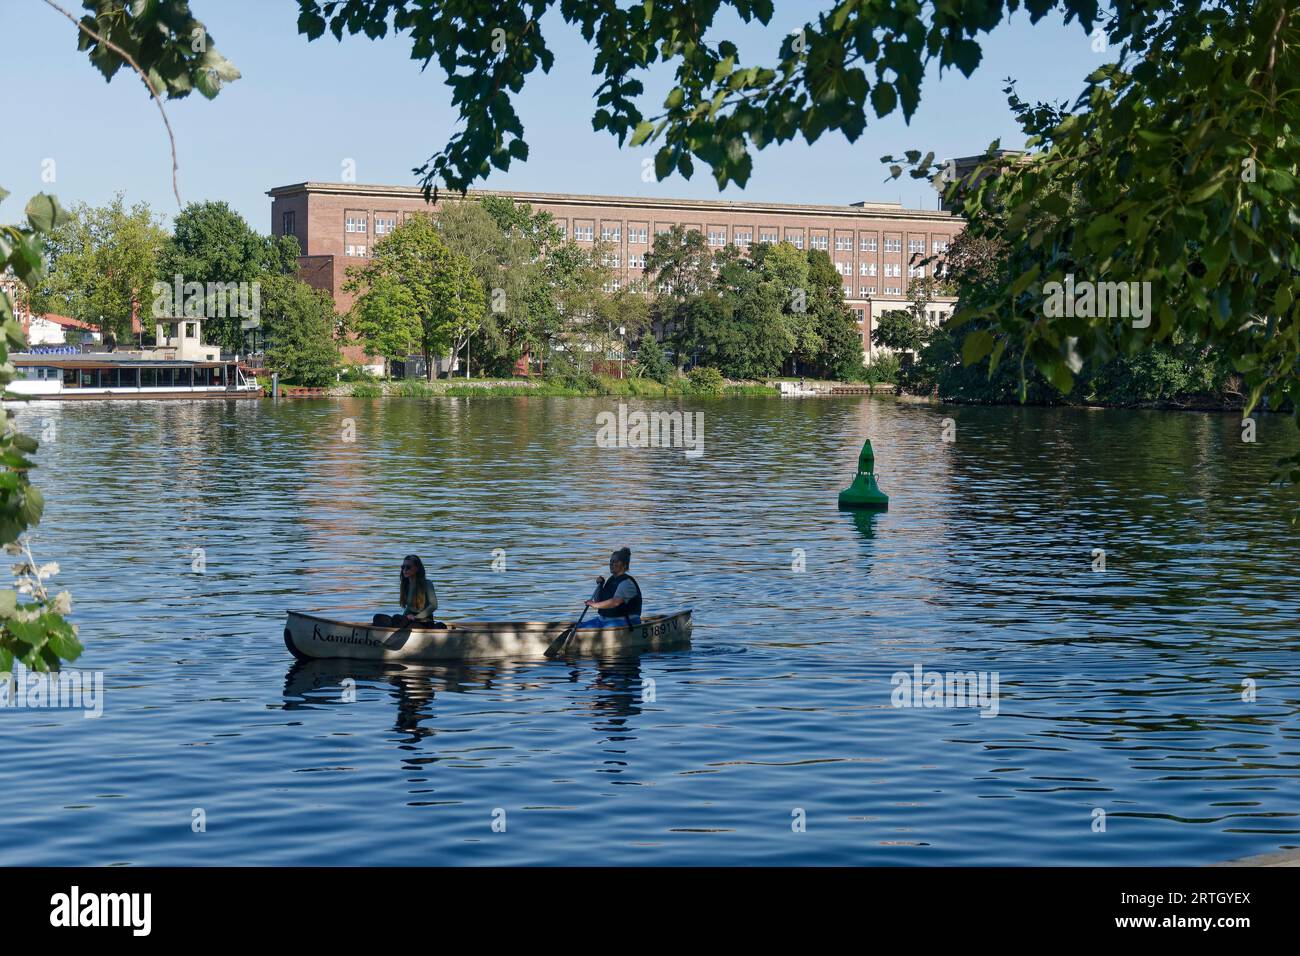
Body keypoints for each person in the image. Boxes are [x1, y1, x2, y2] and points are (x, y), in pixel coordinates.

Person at [578, 547, 642, 628]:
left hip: (624, 622)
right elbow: (599, 600)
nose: (611, 564)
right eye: (610, 561)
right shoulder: (611, 580)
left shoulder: (627, 583)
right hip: (603, 620)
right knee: (578, 627)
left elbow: (615, 602)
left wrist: (595, 605)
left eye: (615, 561)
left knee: (583, 632)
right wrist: (600, 586)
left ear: (624, 565)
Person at [373, 554, 442, 628]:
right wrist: (403, 618)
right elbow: (409, 608)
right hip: (409, 620)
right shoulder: (406, 585)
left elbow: (434, 606)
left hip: (424, 621)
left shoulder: (427, 583)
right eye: (403, 567)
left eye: (408, 567)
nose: (405, 570)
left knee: (398, 619)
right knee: (378, 617)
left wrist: (416, 617)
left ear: (417, 568)